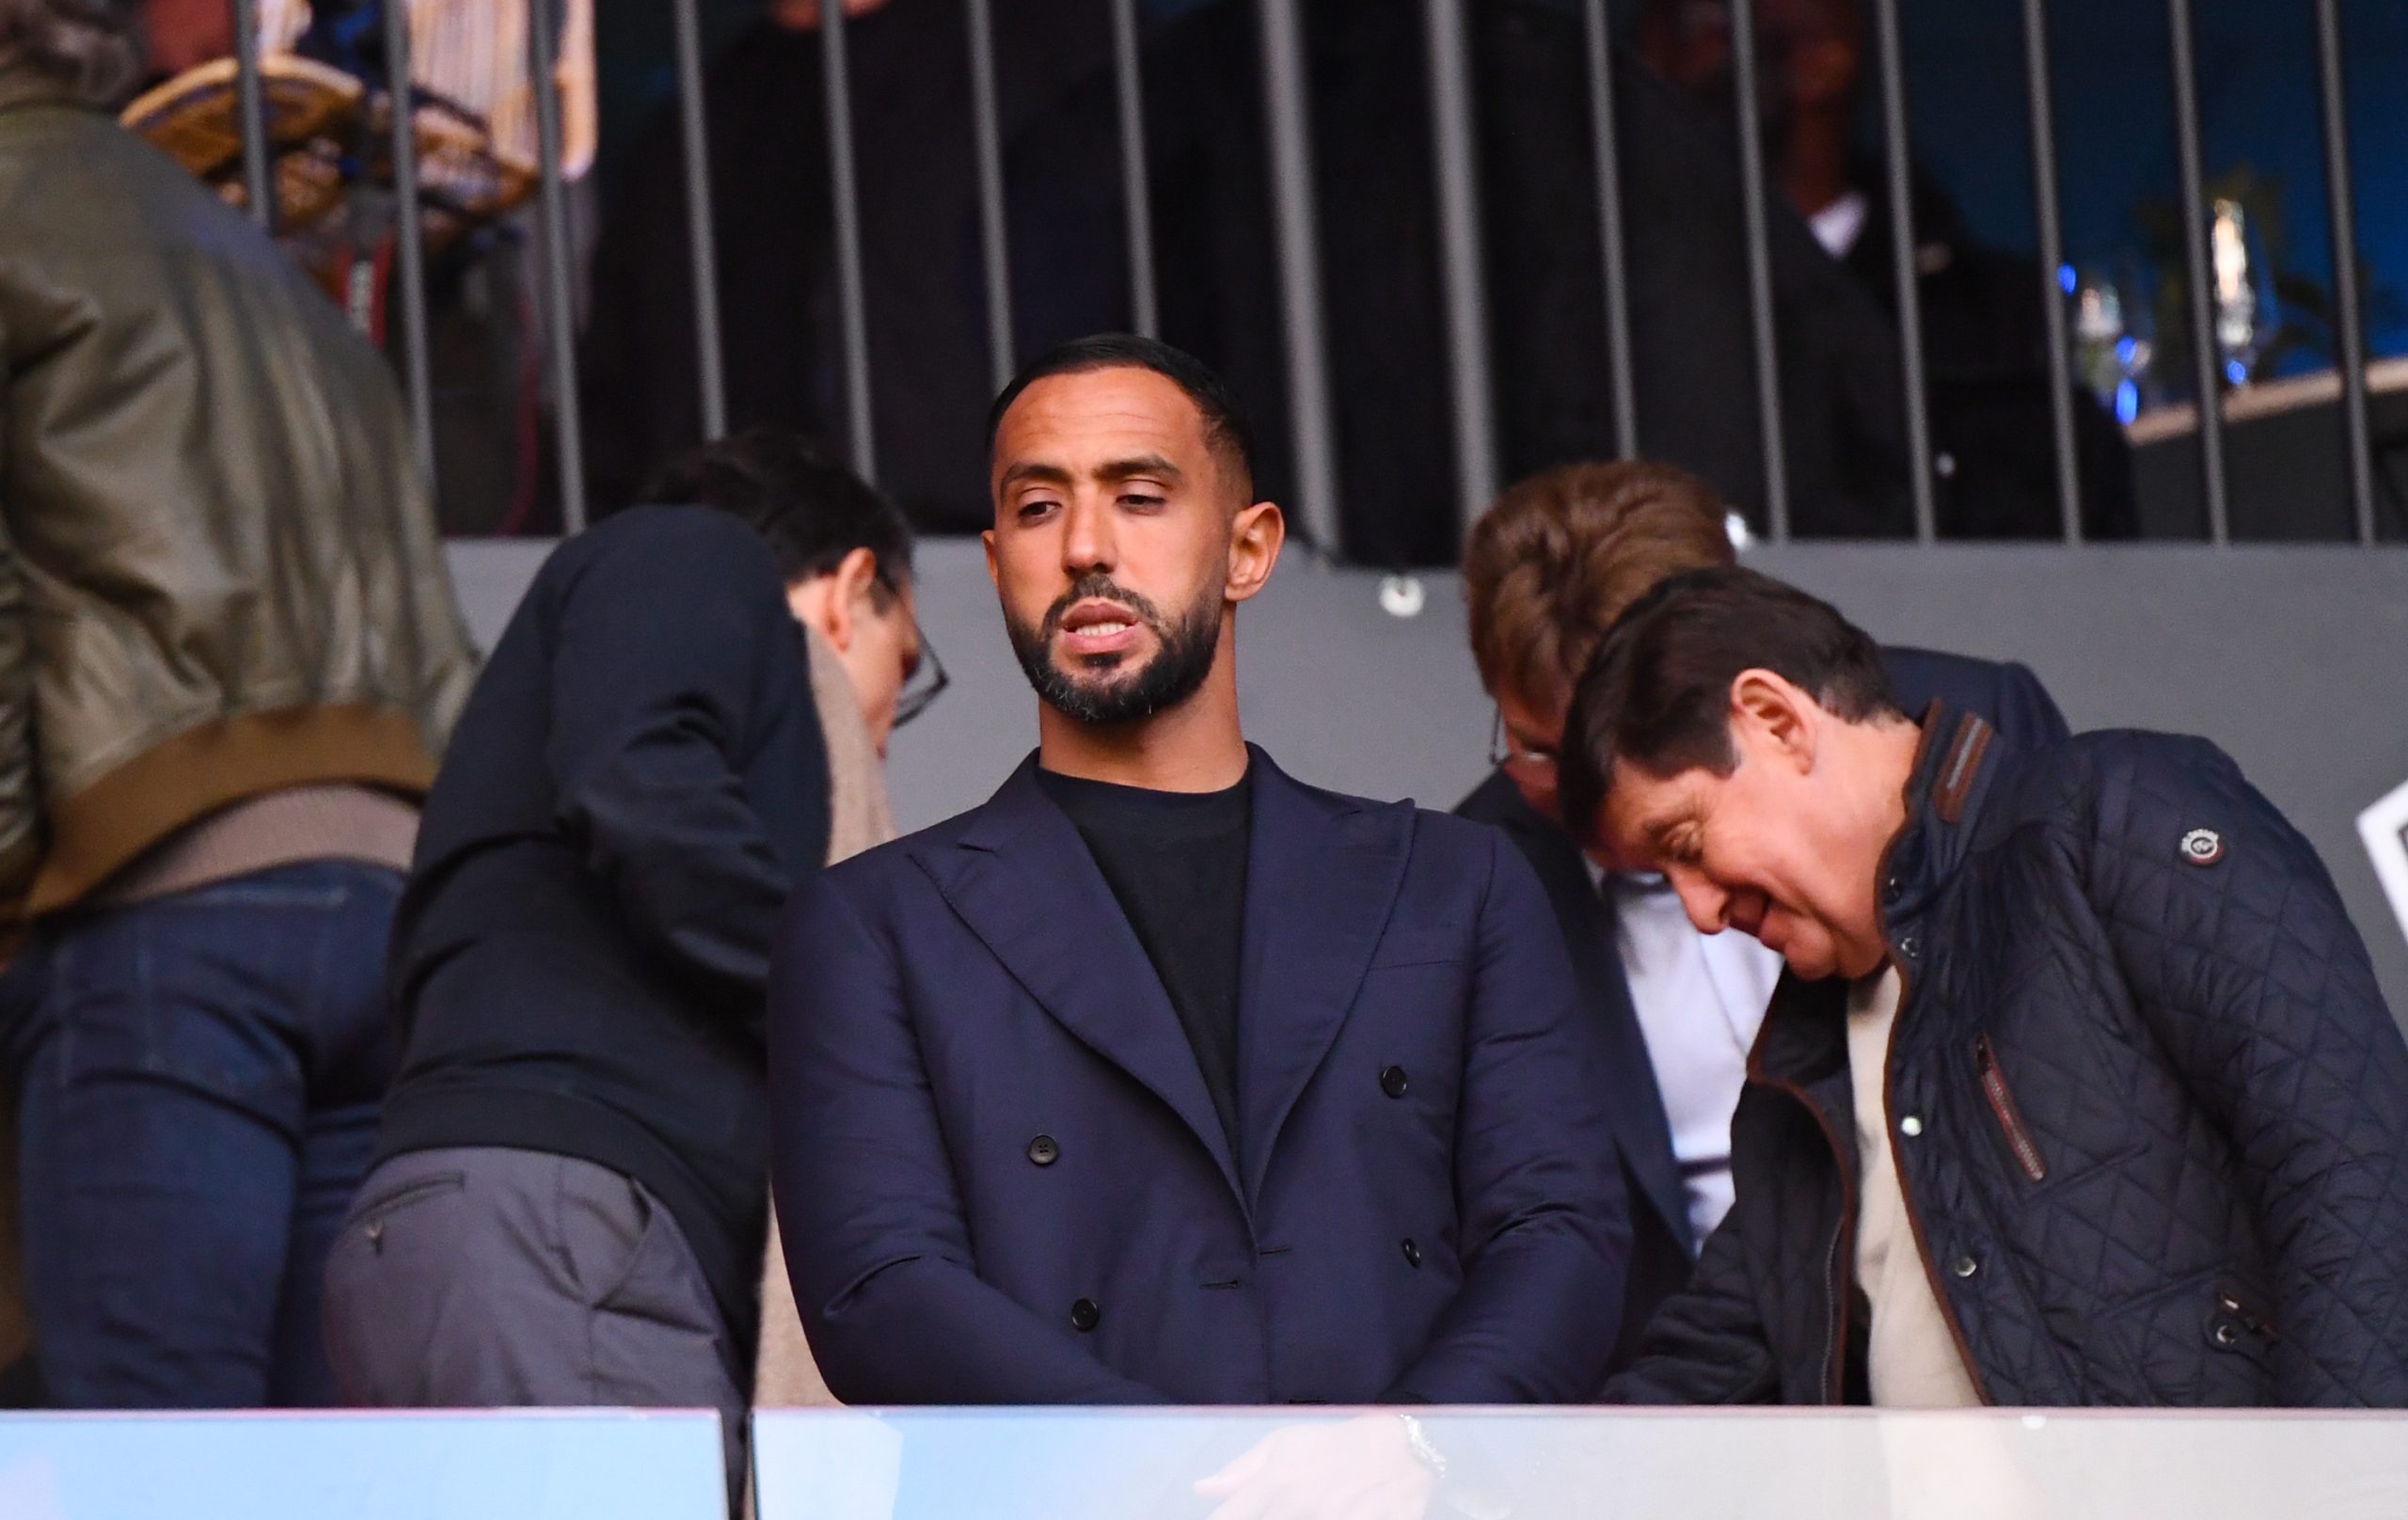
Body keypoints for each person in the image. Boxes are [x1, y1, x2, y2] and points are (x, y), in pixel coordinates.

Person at [769, 335, 1627, 1420]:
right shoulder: (872, 924)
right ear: (994, 566)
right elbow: (880, 1292)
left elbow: (1559, 1233)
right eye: (1037, 509)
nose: (1085, 547)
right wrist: (1177, 1477)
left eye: (1139, 496)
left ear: (1248, 549)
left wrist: (1398, 1460)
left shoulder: (1453, 885)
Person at [0, 0, 477, 1408]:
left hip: (163, 905)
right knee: (310, 1474)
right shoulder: (228, 240)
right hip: (389, 905)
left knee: (154, 1458)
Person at [1560, 566, 2408, 1406]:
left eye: (1685, 842)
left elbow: (2353, 1166)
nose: (1699, 911)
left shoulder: (2107, 818)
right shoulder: (1801, 1072)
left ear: (1777, 719)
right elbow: (1701, 1369)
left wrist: (2350, 1490)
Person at [322, 432, 934, 1486]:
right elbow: (639, 783)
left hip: (528, 1239)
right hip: (569, 1235)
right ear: (850, 589)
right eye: (904, 670)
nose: (883, 734)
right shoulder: (689, 554)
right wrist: (858, 996)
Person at [1455, 461, 2068, 1373]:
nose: (1594, 809)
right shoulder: (1477, 874)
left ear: (1756, 701)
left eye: (1628, 763)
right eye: (1541, 754)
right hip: (1705, 1391)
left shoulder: (1960, 734)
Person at [1012, 0, 1922, 566]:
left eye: (1705, 23)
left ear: (1827, 62)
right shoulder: (1578, 178)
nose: (1671, 55)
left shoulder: (1636, 204)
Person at [578, 0, 1113, 533]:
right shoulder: (698, 132)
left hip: (1007, 549)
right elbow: (617, 402)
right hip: (756, 570)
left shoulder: (1049, 38)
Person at [1636, 0, 2136, 539]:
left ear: (1816, 67)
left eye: (1695, 26)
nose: (1647, 64)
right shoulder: (1613, 304)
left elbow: (2060, 535)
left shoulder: (1988, 309)